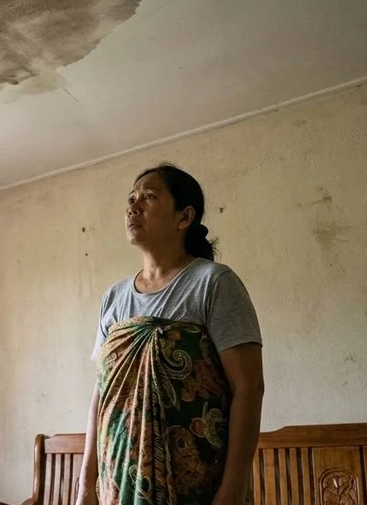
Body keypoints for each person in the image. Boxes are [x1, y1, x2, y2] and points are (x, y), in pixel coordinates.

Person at [75, 164, 264, 505]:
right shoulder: (114, 299)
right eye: (131, 198)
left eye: (148, 196)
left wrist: (233, 489)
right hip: (118, 483)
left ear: (184, 217)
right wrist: (86, 484)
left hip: (196, 484)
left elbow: (248, 389)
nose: (133, 206)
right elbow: (102, 397)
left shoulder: (214, 283)